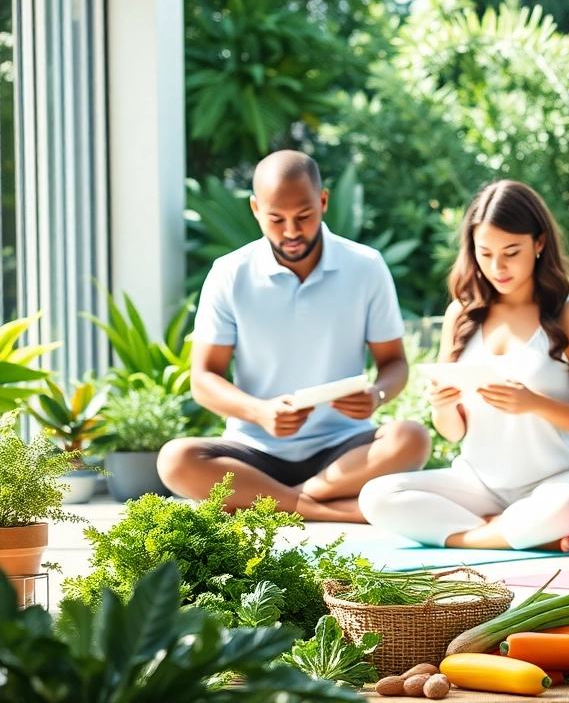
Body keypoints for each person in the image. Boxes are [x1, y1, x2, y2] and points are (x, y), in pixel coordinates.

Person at [158, 151, 430, 521]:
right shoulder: (229, 273)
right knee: (175, 460)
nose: (290, 232)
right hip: (254, 450)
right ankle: (331, 511)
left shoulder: (366, 267)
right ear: (255, 209)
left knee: (412, 438)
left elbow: (394, 363)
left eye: (303, 216)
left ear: (323, 201)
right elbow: (204, 380)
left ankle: (281, 503)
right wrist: (260, 412)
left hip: (344, 451)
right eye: (275, 219)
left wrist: (377, 395)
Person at [358, 181, 569, 551]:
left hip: (562, 479)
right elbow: (453, 433)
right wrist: (443, 406)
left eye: (512, 252)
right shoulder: (460, 316)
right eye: (485, 253)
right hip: (480, 484)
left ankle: (487, 533)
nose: (498, 267)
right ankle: (516, 534)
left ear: (539, 242)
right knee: (377, 496)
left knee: (567, 505)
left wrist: (534, 403)